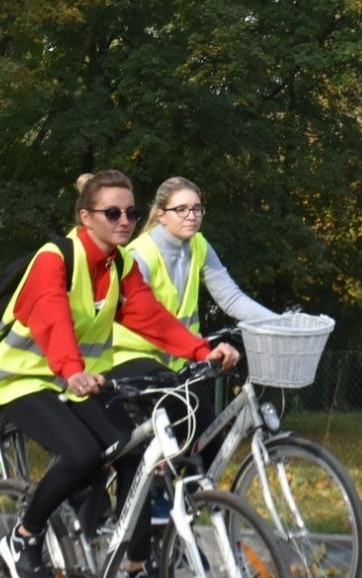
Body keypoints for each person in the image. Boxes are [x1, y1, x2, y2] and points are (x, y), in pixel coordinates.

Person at [0, 170, 239, 578]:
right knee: (81, 454)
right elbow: (51, 315)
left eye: (132, 212)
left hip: (79, 380)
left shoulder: (118, 265)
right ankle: (24, 536)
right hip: (22, 379)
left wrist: (200, 350)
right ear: (87, 218)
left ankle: (136, 571)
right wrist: (71, 369)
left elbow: (150, 316)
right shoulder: (56, 257)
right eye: (113, 212)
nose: (126, 220)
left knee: (134, 457)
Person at [112, 176, 278, 466]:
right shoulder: (141, 254)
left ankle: (189, 505)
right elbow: (140, 316)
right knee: (166, 447)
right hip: (134, 360)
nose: (191, 215)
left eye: (197, 209)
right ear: (161, 215)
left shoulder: (198, 245)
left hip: (180, 360)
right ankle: (161, 501)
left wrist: (279, 322)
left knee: (209, 443)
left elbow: (230, 297)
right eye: (182, 209)